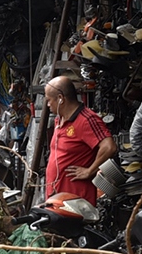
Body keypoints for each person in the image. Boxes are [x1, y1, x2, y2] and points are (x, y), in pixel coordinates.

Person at [43, 76, 116, 205]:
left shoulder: (86, 119)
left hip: (76, 200)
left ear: (60, 99)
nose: (48, 104)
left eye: (49, 100)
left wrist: (90, 171)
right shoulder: (59, 120)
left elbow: (109, 147)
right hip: (56, 196)